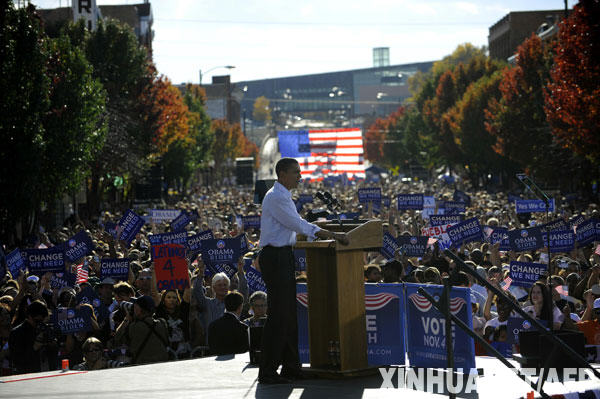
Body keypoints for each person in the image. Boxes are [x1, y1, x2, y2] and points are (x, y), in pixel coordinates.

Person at [257, 158, 349, 384]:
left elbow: (295, 225)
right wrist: (331, 235)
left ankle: (291, 367)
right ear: (282, 174)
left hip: (282, 256)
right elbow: (297, 224)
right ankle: (267, 371)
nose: (300, 176)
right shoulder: (276, 197)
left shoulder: (283, 195)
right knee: (279, 315)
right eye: (296, 172)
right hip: (275, 257)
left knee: (288, 314)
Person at [114, 295, 169, 365]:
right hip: (163, 364)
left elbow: (117, 339)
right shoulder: (162, 323)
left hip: (143, 367)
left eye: (135, 306)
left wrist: (126, 319)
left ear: (138, 310)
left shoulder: (133, 327)